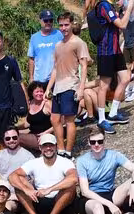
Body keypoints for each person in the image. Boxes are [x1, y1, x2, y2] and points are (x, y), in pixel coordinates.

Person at [9, 133, 77, 214]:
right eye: (45, 146)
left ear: (56, 146)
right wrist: (27, 190)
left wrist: (49, 189)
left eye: (51, 145)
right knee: (19, 183)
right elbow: (12, 176)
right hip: (39, 200)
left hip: (59, 200)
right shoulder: (34, 162)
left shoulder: (65, 162)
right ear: (40, 148)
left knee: (71, 187)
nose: (48, 148)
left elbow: (73, 178)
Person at [88, 0, 134, 134]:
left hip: (115, 50)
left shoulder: (109, 6)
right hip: (106, 51)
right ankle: (102, 119)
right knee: (104, 86)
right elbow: (122, 25)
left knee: (126, 78)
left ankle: (113, 113)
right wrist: (130, 7)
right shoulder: (103, 5)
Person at [45, 12, 89, 159]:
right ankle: (61, 149)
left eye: (66, 25)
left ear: (71, 24)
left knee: (69, 119)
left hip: (71, 85)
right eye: (61, 25)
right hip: (58, 87)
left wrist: (81, 88)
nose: (63, 28)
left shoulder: (78, 42)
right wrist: (48, 88)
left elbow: (84, 66)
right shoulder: (58, 45)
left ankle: (69, 152)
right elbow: (55, 69)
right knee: (54, 119)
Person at [27, 10, 64, 87]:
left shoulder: (59, 34)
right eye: (46, 20)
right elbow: (31, 59)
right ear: (40, 21)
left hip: (57, 78)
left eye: (50, 20)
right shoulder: (34, 37)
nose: (48, 23)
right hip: (39, 79)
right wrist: (31, 77)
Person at [18, 81, 53, 151]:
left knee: (15, 137)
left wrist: (46, 132)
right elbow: (27, 124)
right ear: (31, 93)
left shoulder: (47, 104)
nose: (39, 94)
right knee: (9, 133)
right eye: (37, 92)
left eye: (41, 91)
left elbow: (60, 122)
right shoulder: (30, 104)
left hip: (44, 136)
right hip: (32, 134)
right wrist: (15, 128)